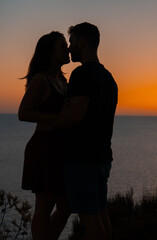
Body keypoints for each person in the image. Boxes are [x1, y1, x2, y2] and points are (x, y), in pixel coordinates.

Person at [44, 22, 118, 240]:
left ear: (82, 42)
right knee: (101, 215)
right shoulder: (109, 78)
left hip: (82, 158)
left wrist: (52, 125)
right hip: (102, 157)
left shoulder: (82, 74)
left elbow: (76, 114)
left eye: (72, 42)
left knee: (89, 219)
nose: (69, 47)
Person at [18, 31, 71, 240]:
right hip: (44, 147)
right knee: (44, 207)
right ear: (50, 52)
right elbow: (24, 113)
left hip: (60, 147)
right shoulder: (41, 79)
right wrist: (56, 117)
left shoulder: (62, 80)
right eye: (62, 46)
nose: (67, 50)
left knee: (66, 206)